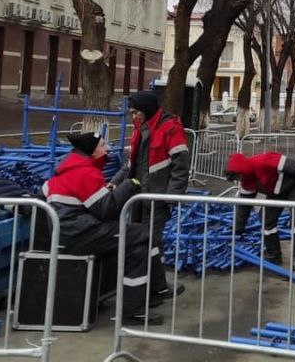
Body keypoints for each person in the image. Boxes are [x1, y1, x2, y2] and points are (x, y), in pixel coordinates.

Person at [41, 131, 165, 324]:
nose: (107, 149)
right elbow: (106, 209)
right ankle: (158, 289)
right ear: (91, 152)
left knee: (138, 248)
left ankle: (136, 307)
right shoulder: (85, 173)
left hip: (73, 233)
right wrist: (130, 185)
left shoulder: (64, 172)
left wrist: (107, 192)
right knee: (144, 233)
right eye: (102, 146)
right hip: (82, 234)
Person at [111, 90, 190, 298]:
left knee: (151, 242)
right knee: (141, 242)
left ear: (145, 109)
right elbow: (131, 164)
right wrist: (115, 183)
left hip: (158, 198)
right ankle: (151, 286)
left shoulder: (170, 127)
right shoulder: (139, 128)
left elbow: (180, 167)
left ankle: (156, 288)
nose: (133, 116)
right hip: (138, 196)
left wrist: (172, 197)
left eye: (135, 112)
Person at [224, 152, 295, 272]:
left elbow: (294, 167)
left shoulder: (264, 161)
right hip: (276, 194)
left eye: (236, 177)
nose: (237, 180)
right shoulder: (246, 182)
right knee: (266, 219)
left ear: (241, 170)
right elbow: (244, 207)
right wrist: (237, 230)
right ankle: (274, 254)